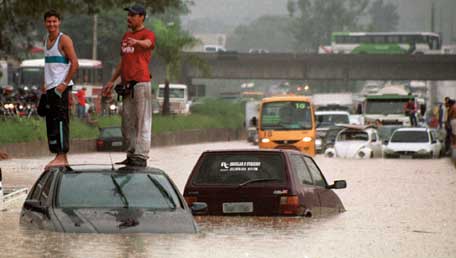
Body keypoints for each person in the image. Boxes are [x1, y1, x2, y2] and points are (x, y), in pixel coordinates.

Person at [102, 4, 155, 167]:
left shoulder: (147, 34)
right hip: (126, 85)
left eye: (132, 15)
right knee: (127, 121)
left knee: (142, 120)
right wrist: (112, 81)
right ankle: (131, 153)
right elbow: (123, 61)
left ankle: (141, 155)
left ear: (141, 17)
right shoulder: (125, 36)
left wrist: (137, 42)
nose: (129, 18)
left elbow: (148, 44)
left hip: (141, 82)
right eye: (128, 15)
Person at [42, 9, 79, 168]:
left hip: (60, 88)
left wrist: (64, 84)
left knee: (61, 121)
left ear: (59, 22)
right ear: (45, 23)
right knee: (51, 122)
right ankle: (57, 154)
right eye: (49, 21)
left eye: (54, 21)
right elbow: (49, 66)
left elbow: (75, 64)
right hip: (50, 88)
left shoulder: (64, 40)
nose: (51, 24)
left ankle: (62, 155)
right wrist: (45, 84)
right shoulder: (46, 40)